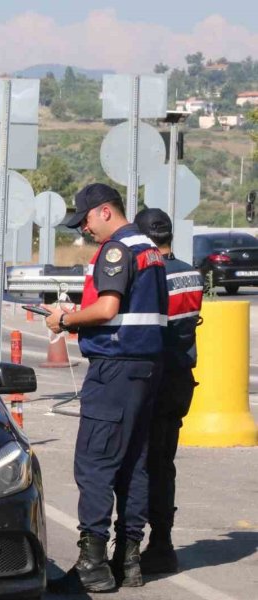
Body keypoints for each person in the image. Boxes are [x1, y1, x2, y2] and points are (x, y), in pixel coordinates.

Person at [44, 183, 168, 593]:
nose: (85, 231)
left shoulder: (118, 250)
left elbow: (108, 308)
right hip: (146, 370)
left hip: (115, 369)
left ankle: (92, 565)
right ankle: (128, 559)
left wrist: (65, 319)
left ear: (104, 212)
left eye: (85, 222)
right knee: (134, 463)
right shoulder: (150, 249)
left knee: (95, 463)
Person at [133, 208, 203, 575]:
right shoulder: (192, 273)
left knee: (141, 464)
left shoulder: (150, 273)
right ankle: (162, 540)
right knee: (164, 463)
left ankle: (135, 544)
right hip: (180, 378)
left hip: (153, 377)